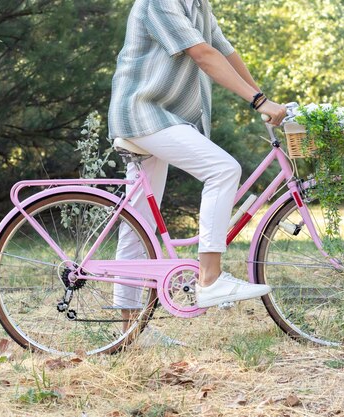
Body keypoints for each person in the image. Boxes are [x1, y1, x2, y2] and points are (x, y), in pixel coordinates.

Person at [108, 0, 287, 316]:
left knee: (138, 226)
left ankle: (129, 331)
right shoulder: (158, 2)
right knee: (223, 169)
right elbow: (203, 56)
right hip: (143, 113)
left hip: (162, 116)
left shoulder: (198, 6)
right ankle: (210, 279)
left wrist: (265, 100)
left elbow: (225, 53)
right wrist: (258, 102)